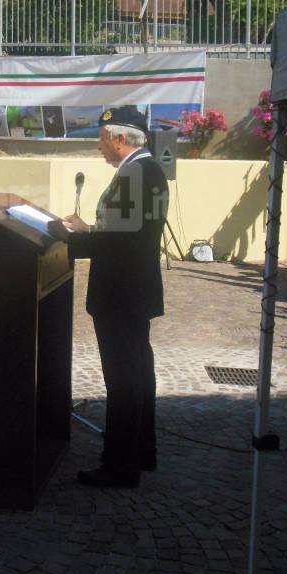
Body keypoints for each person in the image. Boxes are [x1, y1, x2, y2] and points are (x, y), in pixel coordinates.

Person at [49, 107, 169, 489]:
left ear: (121, 139)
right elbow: (122, 231)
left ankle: (120, 465)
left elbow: (120, 241)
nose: (99, 146)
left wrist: (70, 238)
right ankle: (141, 451)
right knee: (137, 373)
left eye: (102, 138)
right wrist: (89, 229)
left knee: (124, 379)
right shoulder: (143, 170)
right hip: (133, 288)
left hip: (122, 291)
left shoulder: (137, 173)